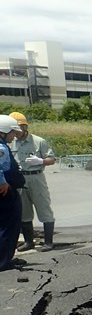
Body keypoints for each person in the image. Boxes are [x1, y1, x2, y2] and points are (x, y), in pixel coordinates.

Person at [9, 112, 57, 251]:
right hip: (20, 179)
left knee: (43, 207)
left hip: (36, 177)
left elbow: (52, 159)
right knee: (24, 211)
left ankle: (48, 242)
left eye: (18, 127)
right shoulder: (11, 143)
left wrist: (41, 161)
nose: (16, 131)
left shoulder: (38, 141)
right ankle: (29, 242)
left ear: (25, 126)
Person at [0, 114, 25, 271]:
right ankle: (3, 261)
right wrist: (2, 182)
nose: (14, 136)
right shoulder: (1, 148)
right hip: (5, 193)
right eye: (13, 132)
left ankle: (5, 257)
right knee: (8, 226)